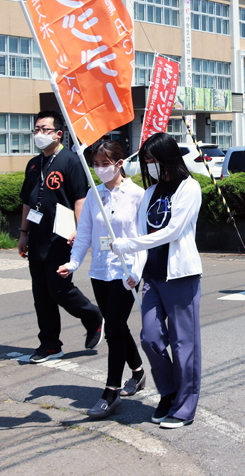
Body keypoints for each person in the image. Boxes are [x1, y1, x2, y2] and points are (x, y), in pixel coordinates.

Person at [111, 132, 203, 429]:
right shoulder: (151, 194)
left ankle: (186, 405)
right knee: (150, 337)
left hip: (181, 276)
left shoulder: (190, 189)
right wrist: (135, 271)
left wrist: (131, 244)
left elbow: (173, 231)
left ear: (168, 158)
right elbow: (144, 238)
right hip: (152, 276)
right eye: (146, 161)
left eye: (153, 160)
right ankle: (169, 392)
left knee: (183, 344)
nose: (149, 166)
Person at [59, 139, 147, 419]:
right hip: (100, 271)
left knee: (113, 329)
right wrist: (73, 263)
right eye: (95, 164)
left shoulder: (137, 195)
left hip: (127, 272)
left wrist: (136, 272)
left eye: (105, 164)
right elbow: (84, 232)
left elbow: (144, 239)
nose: (99, 169)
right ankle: (138, 371)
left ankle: (111, 392)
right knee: (116, 325)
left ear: (120, 164)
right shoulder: (93, 195)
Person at [19, 110, 103, 364]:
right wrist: (23, 233)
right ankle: (50, 344)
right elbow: (27, 202)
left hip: (61, 237)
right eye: (36, 130)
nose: (39, 134)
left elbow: (80, 198)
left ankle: (92, 316)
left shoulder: (71, 160)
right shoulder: (34, 164)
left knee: (59, 289)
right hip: (37, 237)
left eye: (45, 129)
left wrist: (80, 231)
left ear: (59, 134)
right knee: (41, 294)